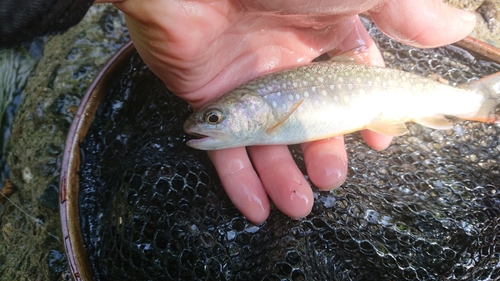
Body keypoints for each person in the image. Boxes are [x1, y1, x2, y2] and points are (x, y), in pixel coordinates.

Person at [97, 0, 476, 224]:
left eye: (215, 118)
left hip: (386, 94)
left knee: (454, 106)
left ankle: (475, 103)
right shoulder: (260, 115)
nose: (208, 124)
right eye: (213, 119)